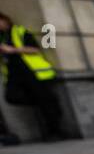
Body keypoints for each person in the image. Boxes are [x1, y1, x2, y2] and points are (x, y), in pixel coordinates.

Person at [0, 11, 62, 139]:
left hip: (33, 72)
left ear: (5, 20)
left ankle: (55, 132)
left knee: (45, 101)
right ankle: (47, 104)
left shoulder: (20, 31)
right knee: (11, 97)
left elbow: (35, 49)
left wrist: (13, 50)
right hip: (14, 74)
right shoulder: (2, 37)